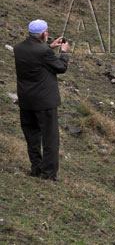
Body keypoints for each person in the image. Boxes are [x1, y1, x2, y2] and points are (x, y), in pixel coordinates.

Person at [13, 19, 69, 181]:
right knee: (50, 138)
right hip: (45, 102)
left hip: (26, 100)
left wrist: (50, 47)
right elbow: (61, 67)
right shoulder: (44, 53)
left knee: (32, 135)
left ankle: (36, 168)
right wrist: (63, 52)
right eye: (47, 31)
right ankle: (49, 173)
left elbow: (35, 57)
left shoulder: (18, 48)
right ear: (43, 34)